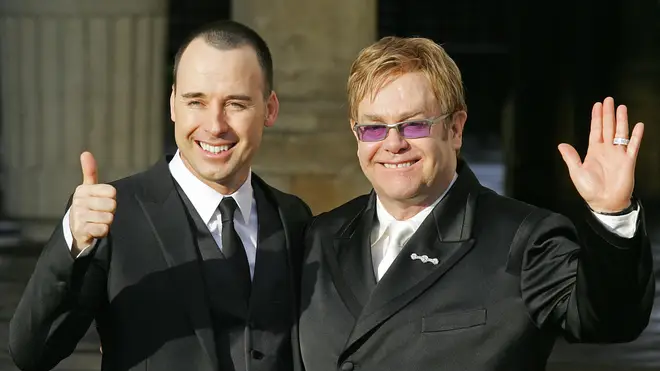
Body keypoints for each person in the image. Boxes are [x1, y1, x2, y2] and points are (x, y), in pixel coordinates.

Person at [298, 36, 654, 371]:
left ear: (455, 129)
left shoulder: (524, 240)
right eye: (374, 128)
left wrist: (612, 213)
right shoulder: (320, 237)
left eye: (415, 125)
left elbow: (610, 321)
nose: (394, 144)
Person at [9, 20, 311, 371]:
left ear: (270, 109)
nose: (215, 125)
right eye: (195, 101)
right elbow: (33, 353)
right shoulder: (112, 215)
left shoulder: (293, 219)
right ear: (172, 105)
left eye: (236, 104)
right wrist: (72, 244)